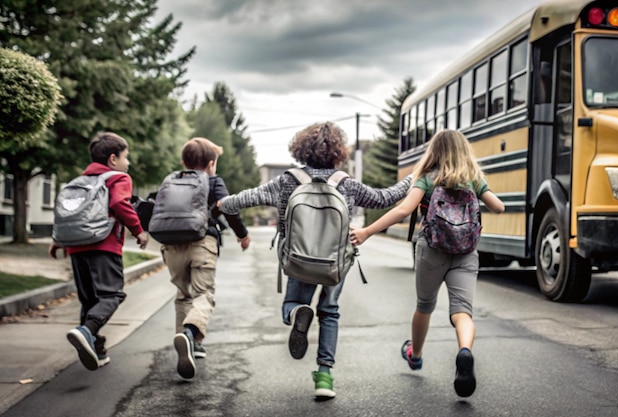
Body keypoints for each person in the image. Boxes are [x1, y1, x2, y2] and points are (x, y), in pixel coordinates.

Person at [218, 121, 413, 399]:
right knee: (330, 312)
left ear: (301, 149)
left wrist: (223, 204)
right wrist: (413, 178)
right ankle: (324, 377)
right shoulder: (346, 183)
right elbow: (385, 198)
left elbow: (249, 198)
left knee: (294, 303)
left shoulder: (287, 180)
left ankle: (298, 313)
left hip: (298, 259)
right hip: (336, 261)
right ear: (338, 151)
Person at [349, 129, 505, 398]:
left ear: (434, 151)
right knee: (462, 312)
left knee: (424, 305)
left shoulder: (427, 178)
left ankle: (416, 354)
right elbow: (498, 207)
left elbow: (402, 210)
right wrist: (481, 191)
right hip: (466, 252)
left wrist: (366, 232)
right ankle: (464, 351)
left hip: (431, 250)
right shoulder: (473, 179)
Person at [49, 131, 150, 371]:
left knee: (89, 300)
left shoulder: (78, 181)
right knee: (112, 295)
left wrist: (58, 240)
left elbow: (67, 213)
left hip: (75, 247)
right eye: (127, 157)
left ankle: (96, 346)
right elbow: (118, 204)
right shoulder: (119, 177)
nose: (129, 163)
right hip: (103, 246)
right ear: (113, 159)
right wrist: (138, 230)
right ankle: (87, 331)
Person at [163, 137, 251, 380]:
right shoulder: (213, 181)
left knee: (183, 295)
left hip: (171, 245)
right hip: (202, 241)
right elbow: (228, 206)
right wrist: (242, 234)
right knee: (204, 294)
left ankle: (191, 342)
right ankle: (190, 335)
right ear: (212, 163)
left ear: (183, 162)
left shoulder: (173, 180)